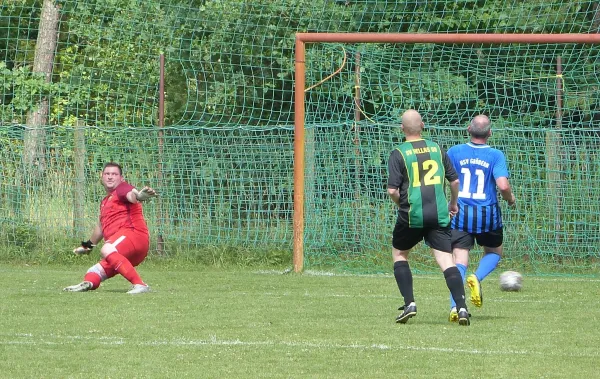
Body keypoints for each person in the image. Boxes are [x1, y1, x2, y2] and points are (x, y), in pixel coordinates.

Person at [387, 109, 470, 326]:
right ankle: (461, 306)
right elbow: (454, 182)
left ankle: (410, 304)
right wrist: (453, 203)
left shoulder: (399, 153)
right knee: (446, 259)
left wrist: (402, 205)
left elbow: (392, 191)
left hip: (411, 215)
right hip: (438, 214)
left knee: (399, 254)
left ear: (402, 128)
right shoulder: (436, 148)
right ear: (422, 125)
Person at [446, 115, 516, 321]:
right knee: (494, 252)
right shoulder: (495, 155)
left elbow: (447, 178)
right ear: (490, 133)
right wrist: (510, 198)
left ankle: (456, 307)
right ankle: (476, 277)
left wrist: (449, 202)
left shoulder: (454, 152)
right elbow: (503, 185)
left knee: (459, 260)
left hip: (460, 213)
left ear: (469, 129)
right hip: (487, 214)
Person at [63, 162, 157, 294]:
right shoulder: (105, 202)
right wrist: (87, 246)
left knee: (107, 248)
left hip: (134, 237)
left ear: (121, 178)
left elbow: (130, 194)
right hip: (124, 251)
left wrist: (139, 196)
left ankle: (140, 285)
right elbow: (101, 227)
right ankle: (87, 284)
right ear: (102, 177)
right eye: (107, 174)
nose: (110, 177)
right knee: (93, 272)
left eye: (114, 174)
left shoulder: (122, 189)